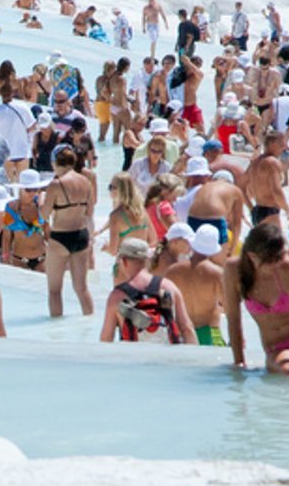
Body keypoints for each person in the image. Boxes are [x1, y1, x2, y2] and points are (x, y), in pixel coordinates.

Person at [225, 222, 289, 374]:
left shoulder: (286, 267)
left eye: (280, 257)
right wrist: (239, 363)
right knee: (286, 371)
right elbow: (233, 318)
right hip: (275, 347)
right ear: (252, 257)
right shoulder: (234, 271)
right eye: (272, 260)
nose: (278, 263)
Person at [101, 239, 193, 343]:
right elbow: (187, 329)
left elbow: (106, 338)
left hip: (134, 357)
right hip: (166, 357)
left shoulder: (117, 297)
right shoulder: (169, 287)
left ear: (124, 261)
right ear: (147, 260)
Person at [42, 146, 96, 318]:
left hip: (60, 236)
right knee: (82, 288)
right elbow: (89, 211)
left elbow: (44, 215)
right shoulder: (86, 181)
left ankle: (55, 335)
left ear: (56, 163)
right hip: (80, 234)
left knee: (55, 290)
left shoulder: (56, 184)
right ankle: (90, 326)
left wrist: (42, 199)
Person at [177, 224, 228, 347]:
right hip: (208, 332)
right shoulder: (217, 274)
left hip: (181, 332)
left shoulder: (173, 271)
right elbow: (229, 309)